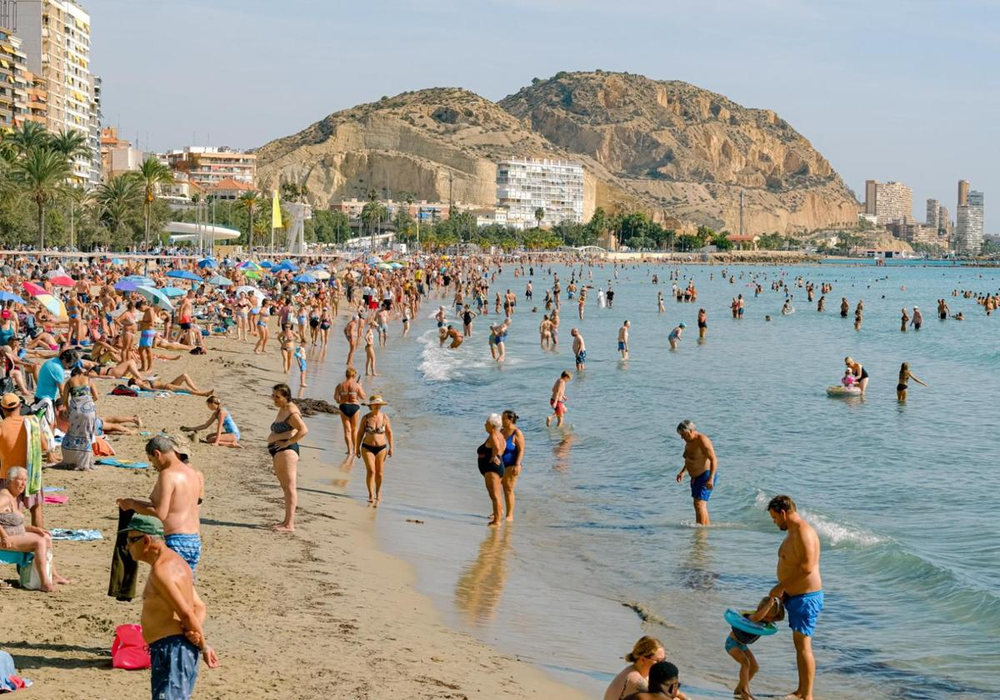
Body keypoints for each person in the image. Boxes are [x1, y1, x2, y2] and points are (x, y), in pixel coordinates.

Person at [125, 514, 220, 699]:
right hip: (178, 649)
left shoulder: (162, 570)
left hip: (172, 651)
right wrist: (191, 632)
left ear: (145, 540)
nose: (127, 546)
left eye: (130, 540)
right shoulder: (178, 561)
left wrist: (203, 645)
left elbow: (185, 613)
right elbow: (199, 606)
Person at [117, 436, 204, 575]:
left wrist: (132, 504)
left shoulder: (167, 474)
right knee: (185, 588)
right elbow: (175, 506)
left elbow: (160, 513)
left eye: (152, 460)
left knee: (166, 590)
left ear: (157, 454)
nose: (154, 466)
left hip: (176, 540)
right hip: (193, 539)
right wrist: (134, 503)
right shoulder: (193, 473)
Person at [767, 495, 823, 700]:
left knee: (804, 646)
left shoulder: (803, 532)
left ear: (783, 512)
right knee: (799, 646)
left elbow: (808, 568)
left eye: (774, 518)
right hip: (795, 595)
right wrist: (784, 592)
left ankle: (807, 696)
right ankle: (800, 691)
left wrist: (779, 587)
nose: (774, 522)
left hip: (805, 597)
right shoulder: (793, 531)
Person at [0, 467, 70, 592]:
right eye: (20, 480)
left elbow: (10, 522)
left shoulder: (14, 497)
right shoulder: (4, 497)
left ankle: (52, 575)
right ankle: (45, 583)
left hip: (12, 534)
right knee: (39, 542)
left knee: (46, 537)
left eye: (25, 480)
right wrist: (4, 536)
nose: (23, 484)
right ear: (10, 481)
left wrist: (32, 529)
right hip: (4, 538)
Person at [726, 597, 785, 700]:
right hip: (732, 643)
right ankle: (745, 692)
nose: (768, 619)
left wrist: (779, 604)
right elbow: (758, 618)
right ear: (761, 610)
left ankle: (739, 689)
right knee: (745, 663)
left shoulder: (767, 622)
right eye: (766, 616)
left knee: (754, 667)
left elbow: (779, 617)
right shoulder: (752, 617)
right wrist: (769, 605)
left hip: (742, 646)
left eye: (771, 617)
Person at [0, 393, 44, 527]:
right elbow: (46, 446)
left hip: (8, 476)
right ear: (20, 406)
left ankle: (15, 542)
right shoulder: (32, 423)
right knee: (36, 508)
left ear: (2, 409)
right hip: (31, 474)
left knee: (11, 510)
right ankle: (40, 539)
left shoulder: (2, 426)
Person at [267, 384, 307, 531]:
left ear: (286, 397)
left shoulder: (291, 411)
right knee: (285, 487)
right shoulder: (284, 408)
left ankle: (289, 524)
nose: (274, 399)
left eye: (277, 397)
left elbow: (303, 430)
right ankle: (286, 521)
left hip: (287, 451)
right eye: (273, 396)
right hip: (280, 451)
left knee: (290, 488)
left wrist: (288, 442)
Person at [675, 420, 718, 526]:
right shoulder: (688, 442)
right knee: (698, 505)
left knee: (699, 504)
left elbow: (714, 459)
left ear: (691, 431)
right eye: (681, 435)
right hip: (696, 477)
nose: (682, 438)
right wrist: (682, 472)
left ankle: (701, 533)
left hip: (705, 475)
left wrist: (711, 478)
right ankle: (705, 528)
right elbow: (690, 459)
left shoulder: (702, 440)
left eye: (684, 435)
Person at [59, 367, 99, 470]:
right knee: (87, 435)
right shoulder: (88, 379)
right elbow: (96, 396)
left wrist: (68, 409)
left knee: (73, 434)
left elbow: (64, 399)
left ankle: (72, 460)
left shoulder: (69, 381)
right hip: (89, 410)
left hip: (76, 410)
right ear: (81, 373)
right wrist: (89, 403)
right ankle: (86, 462)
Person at [355, 395, 393, 505]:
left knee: (379, 473)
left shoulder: (385, 417)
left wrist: (391, 447)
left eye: (379, 404)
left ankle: (378, 493)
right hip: (367, 447)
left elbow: (389, 433)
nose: (377, 406)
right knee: (371, 471)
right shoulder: (366, 418)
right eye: (375, 404)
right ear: (370, 406)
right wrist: (357, 448)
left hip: (382, 448)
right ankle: (371, 494)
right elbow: (360, 433)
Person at [603, 636, 665, 700]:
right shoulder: (635, 680)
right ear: (642, 660)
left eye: (664, 660)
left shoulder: (635, 671)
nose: (663, 664)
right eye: (658, 661)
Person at [477, 413, 506, 527]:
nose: (485, 425)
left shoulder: (494, 434)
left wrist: (494, 457)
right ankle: (497, 513)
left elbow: (498, 447)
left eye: (486, 423)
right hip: (497, 467)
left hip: (492, 468)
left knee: (495, 495)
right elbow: (502, 448)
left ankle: (497, 521)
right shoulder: (500, 435)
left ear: (492, 425)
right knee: (495, 494)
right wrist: (498, 456)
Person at [334, 367, 366, 456]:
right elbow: (363, 396)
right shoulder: (356, 385)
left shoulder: (340, 385)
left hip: (344, 407)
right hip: (355, 407)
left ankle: (349, 450)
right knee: (354, 429)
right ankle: (356, 449)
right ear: (353, 375)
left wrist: (341, 400)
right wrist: (360, 386)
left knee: (347, 430)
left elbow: (336, 398)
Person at [500, 410, 524, 522]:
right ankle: (498, 510)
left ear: (510, 420)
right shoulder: (501, 431)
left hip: (512, 465)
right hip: (499, 464)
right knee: (496, 488)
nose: (501, 420)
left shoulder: (517, 433)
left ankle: (510, 515)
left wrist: (517, 464)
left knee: (508, 489)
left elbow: (521, 449)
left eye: (503, 418)